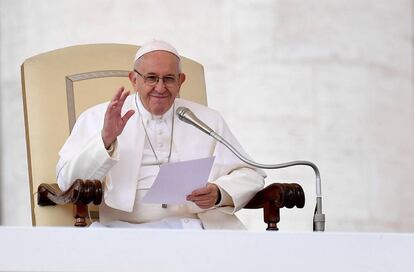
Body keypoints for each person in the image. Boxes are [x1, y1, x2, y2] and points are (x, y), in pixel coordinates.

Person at [56, 40, 265, 229]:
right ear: (134, 79)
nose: (160, 87)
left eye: (169, 79)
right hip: (125, 231)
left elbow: (251, 174)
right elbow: (67, 182)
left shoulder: (207, 119)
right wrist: (105, 140)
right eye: (151, 78)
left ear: (181, 80)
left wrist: (220, 193)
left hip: (196, 228)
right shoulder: (99, 117)